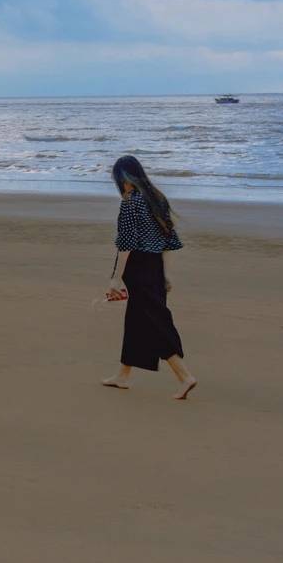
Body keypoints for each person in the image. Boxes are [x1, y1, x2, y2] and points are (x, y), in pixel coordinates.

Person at [100, 155, 198, 400]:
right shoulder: (158, 198)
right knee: (137, 321)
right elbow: (167, 241)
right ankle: (123, 375)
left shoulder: (131, 202)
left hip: (138, 267)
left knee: (154, 324)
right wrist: (165, 275)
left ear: (124, 179)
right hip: (154, 266)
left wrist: (115, 278)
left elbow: (126, 245)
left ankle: (185, 376)